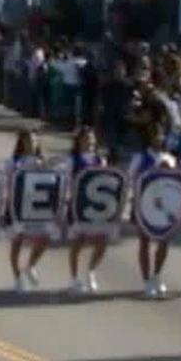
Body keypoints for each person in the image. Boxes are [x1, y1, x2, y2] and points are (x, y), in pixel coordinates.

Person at [131, 122, 176, 298]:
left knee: (164, 241)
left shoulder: (169, 158)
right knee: (145, 242)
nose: (159, 138)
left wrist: (170, 169)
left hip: (164, 206)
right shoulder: (140, 157)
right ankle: (146, 281)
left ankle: (157, 275)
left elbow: (177, 183)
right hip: (144, 203)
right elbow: (133, 178)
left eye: (161, 135)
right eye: (155, 134)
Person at [66, 126, 108, 294]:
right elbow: (67, 181)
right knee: (78, 242)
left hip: (97, 207)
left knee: (101, 242)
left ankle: (91, 271)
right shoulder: (73, 160)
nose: (90, 141)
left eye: (92, 138)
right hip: (79, 206)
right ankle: (74, 278)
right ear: (79, 141)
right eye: (86, 138)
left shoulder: (100, 160)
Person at [7, 130, 50, 293]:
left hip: (37, 207)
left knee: (44, 238)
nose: (31, 144)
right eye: (27, 141)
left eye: (34, 141)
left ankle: (30, 265)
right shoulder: (14, 162)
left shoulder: (43, 162)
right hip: (18, 207)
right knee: (17, 243)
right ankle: (17, 278)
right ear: (21, 143)